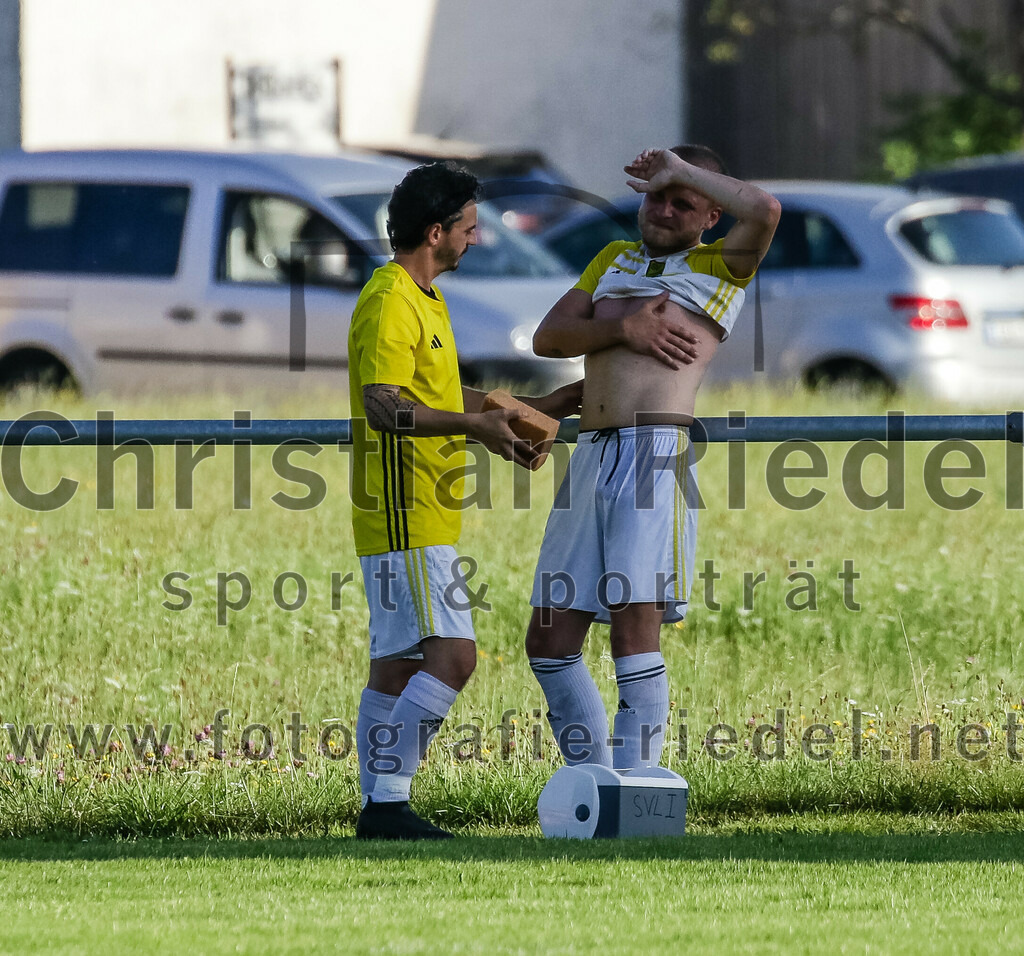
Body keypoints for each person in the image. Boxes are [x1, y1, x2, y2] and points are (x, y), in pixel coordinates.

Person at [525, 146, 781, 772]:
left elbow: (766, 207)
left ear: (710, 217)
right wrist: (624, 329)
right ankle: (594, 780)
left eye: (681, 200)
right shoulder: (614, 259)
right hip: (591, 452)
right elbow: (548, 337)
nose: (664, 209)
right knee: (549, 642)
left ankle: (640, 787)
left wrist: (679, 167)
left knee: (632, 628)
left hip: (653, 456)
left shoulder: (722, 266)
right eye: (655, 195)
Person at [348, 161, 581, 840]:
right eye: (469, 229)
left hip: (420, 509)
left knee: (396, 666)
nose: (475, 241)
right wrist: (476, 427)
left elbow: (444, 400)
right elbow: (385, 407)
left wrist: (534, 407)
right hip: (404, 509)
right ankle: (387, 804)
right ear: (435, 231)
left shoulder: (425, 297)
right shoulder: (390, 299)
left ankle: (379, 809)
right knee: (454, 658)